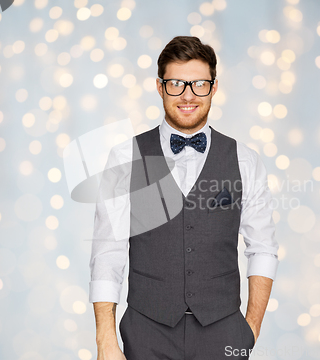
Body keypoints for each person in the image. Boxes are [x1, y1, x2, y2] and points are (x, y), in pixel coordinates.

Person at [90, 36, 279, 360]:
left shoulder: (245, 160)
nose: (188, 95)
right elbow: (108, 250)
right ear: (160, 87)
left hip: (223, 332)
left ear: (214, 87)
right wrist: (105, 339)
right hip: (146, 332)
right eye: (176, 83)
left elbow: (263, 247)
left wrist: (250, 329)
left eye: (199, 84)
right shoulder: (125, 158)